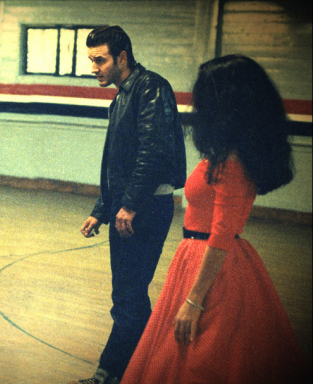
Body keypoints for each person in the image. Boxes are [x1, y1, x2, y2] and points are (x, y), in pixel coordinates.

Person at [120, 54, 307, 384]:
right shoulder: (226, 152)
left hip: (213, 267)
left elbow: (222, 235)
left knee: (201, 360)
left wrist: (194, 300)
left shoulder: (232, 161)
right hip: (196, 259)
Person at [78, 26, 187, 384]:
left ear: (122, 57)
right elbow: (117, 164)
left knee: (128, 295)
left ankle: (110, 371)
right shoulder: (123, 94)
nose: (93, 67)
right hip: (130, 206)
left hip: (146, 209)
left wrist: (129, 205)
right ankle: (140, 367)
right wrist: (102, 208)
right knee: (128, 294)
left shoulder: (150, 87)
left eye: (100, 59)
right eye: (91, 59)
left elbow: (152, 152)